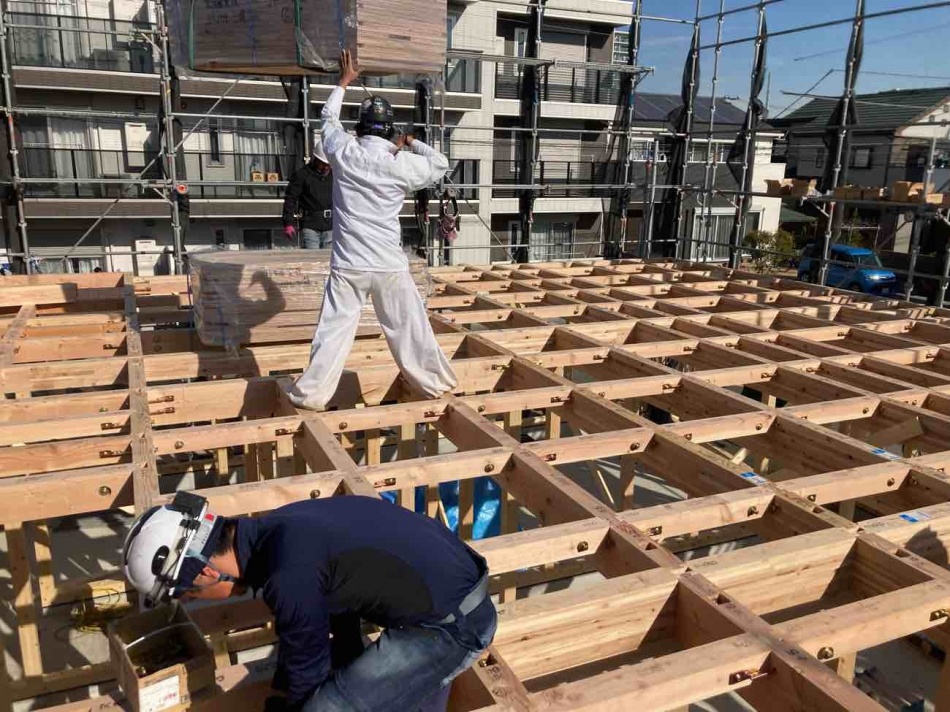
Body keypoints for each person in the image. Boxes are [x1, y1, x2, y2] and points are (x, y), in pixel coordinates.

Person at [122, 491, 495, 712]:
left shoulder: (287, 574)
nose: (193, 601)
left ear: (205, 572)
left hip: (456, 626)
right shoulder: (278, 529)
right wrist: (295, 684)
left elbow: (308, 667)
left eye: (188, 594)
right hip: (455, 594)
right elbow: (335, 602)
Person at [285, 50, 457, 411]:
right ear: (390, 131)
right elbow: (440, 164)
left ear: (360, 127)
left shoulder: (343, 151)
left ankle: (312, 395)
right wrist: (410, 141)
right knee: (410, 330)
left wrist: (344, 82)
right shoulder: (401, 163)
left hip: (349, 265)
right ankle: (434, 383)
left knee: (333, 333)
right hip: (388, 265)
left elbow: (328, 119)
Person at [282, 140, 333, 249]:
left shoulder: (334, 175)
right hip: (310, 226)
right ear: (316, 159)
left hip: (330, 226)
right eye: (323, 164)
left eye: (328, 164)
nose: (326, 167)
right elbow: (290, 198)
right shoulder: (302, 175)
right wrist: (288, 222)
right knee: (312, 257)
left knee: (329, 258)